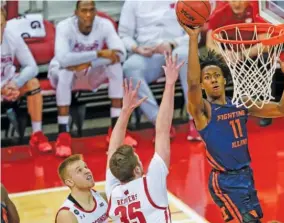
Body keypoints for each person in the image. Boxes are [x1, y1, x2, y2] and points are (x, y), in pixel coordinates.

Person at [181, 23, 284, 222]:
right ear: (202, 85)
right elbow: (191, 83)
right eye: (207, 77)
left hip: (245, 176)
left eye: (217, 75)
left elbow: (283, 109)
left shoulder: (240, 103)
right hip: (225, 180)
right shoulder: (204, 112)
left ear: (225, 80)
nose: (214, 80)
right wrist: (193, 39)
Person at [48, 0, 136, 157]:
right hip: (64, 74)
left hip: (89, 70)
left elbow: (121, 53)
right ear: (76, 13)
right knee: (65, 71)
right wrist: (97, 54)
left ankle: (116, 130)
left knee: (115, 66)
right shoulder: (64, 27)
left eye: (91, 10)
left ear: (95, 11)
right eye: (83, 10)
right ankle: (63, 134)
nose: (88, 14)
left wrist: (87, 61)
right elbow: (62, 59)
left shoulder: (104, 24)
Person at [105, 53, 183, 222]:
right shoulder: (151, 185)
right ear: (137, 170)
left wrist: (125, 112)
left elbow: (112, 150)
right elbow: (162, 130)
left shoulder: (113, 194)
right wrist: (170, 84)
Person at [118, 0, 201, 141]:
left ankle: (195, 119)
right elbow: (124, 35)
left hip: (177, 47)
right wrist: (136, 48)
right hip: (148, 52)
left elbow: (195, 33)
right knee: (129, 68)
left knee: (186, 55)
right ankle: (160, 122)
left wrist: (172, 43)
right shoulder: (132, 3)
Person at [1, 7, 52, 152]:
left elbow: (32, 66)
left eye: (0, 25)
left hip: (9, 84)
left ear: (5, 24)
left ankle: (37, 134)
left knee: (33, 83)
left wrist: (16, 84)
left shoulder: (11, 35)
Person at [55, 154, 108, 223]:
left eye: (86, 167)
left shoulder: (103, 197)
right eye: (79, 170)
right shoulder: (66, 215)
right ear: (70, 182)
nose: (87, 171)